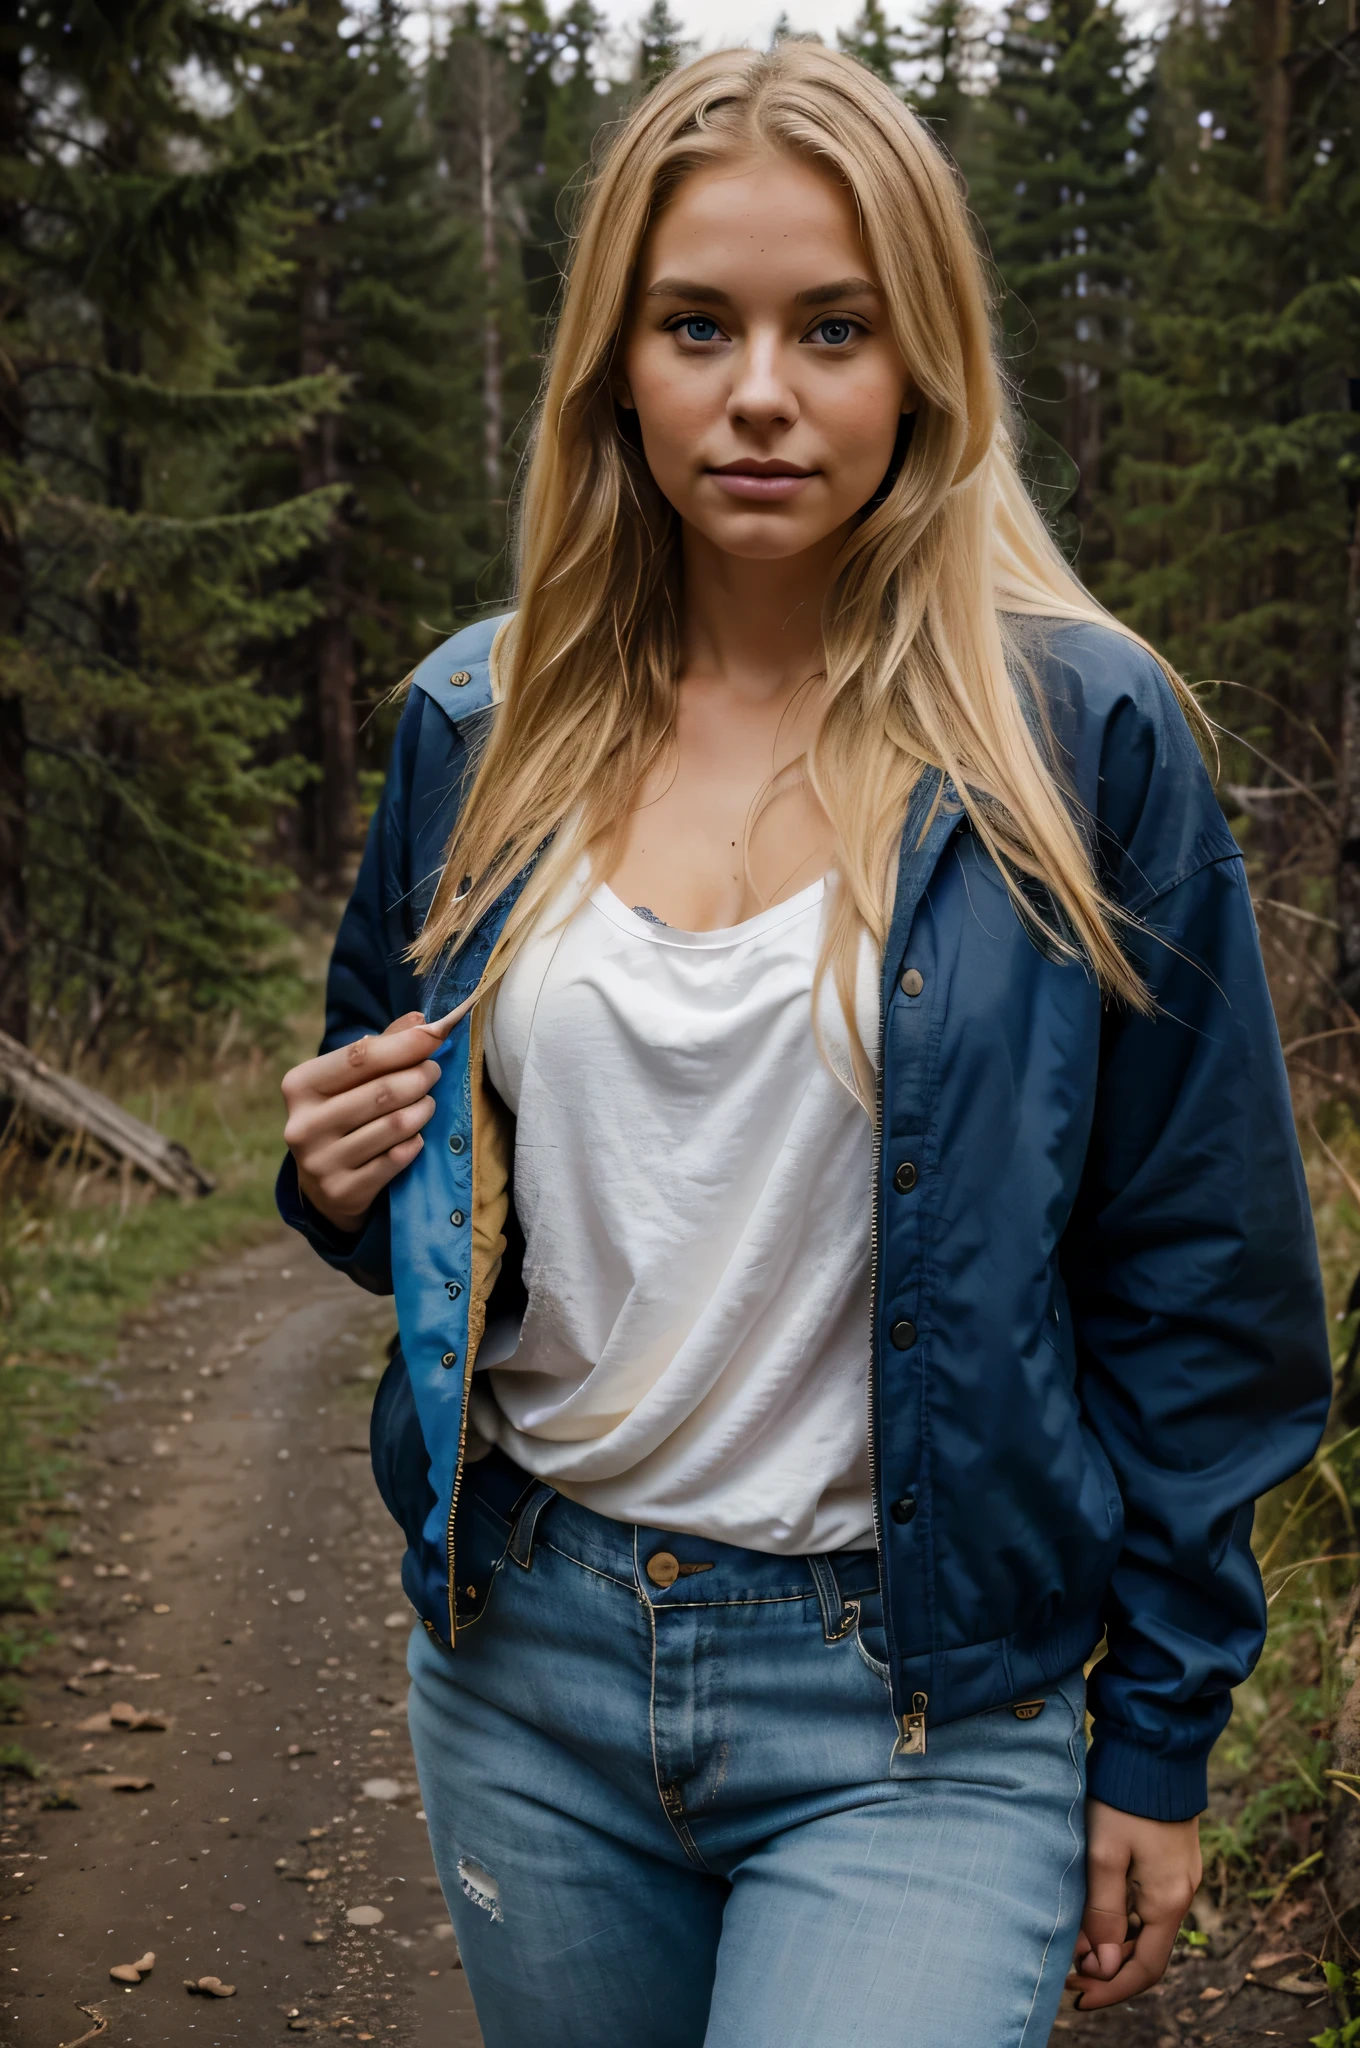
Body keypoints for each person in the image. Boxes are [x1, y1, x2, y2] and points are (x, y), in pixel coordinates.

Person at [277, 43, 1331, 2048]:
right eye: (699, 325)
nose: (759, 390)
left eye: (828, 328)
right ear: (618, 362)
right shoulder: (472, 725)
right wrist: (334, 1175)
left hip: (920, 1705)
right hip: (529, 1667)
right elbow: (407, 1191)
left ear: (919, 363)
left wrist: (1162, 1732)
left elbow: (1203, 1279)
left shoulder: (1076, 741)